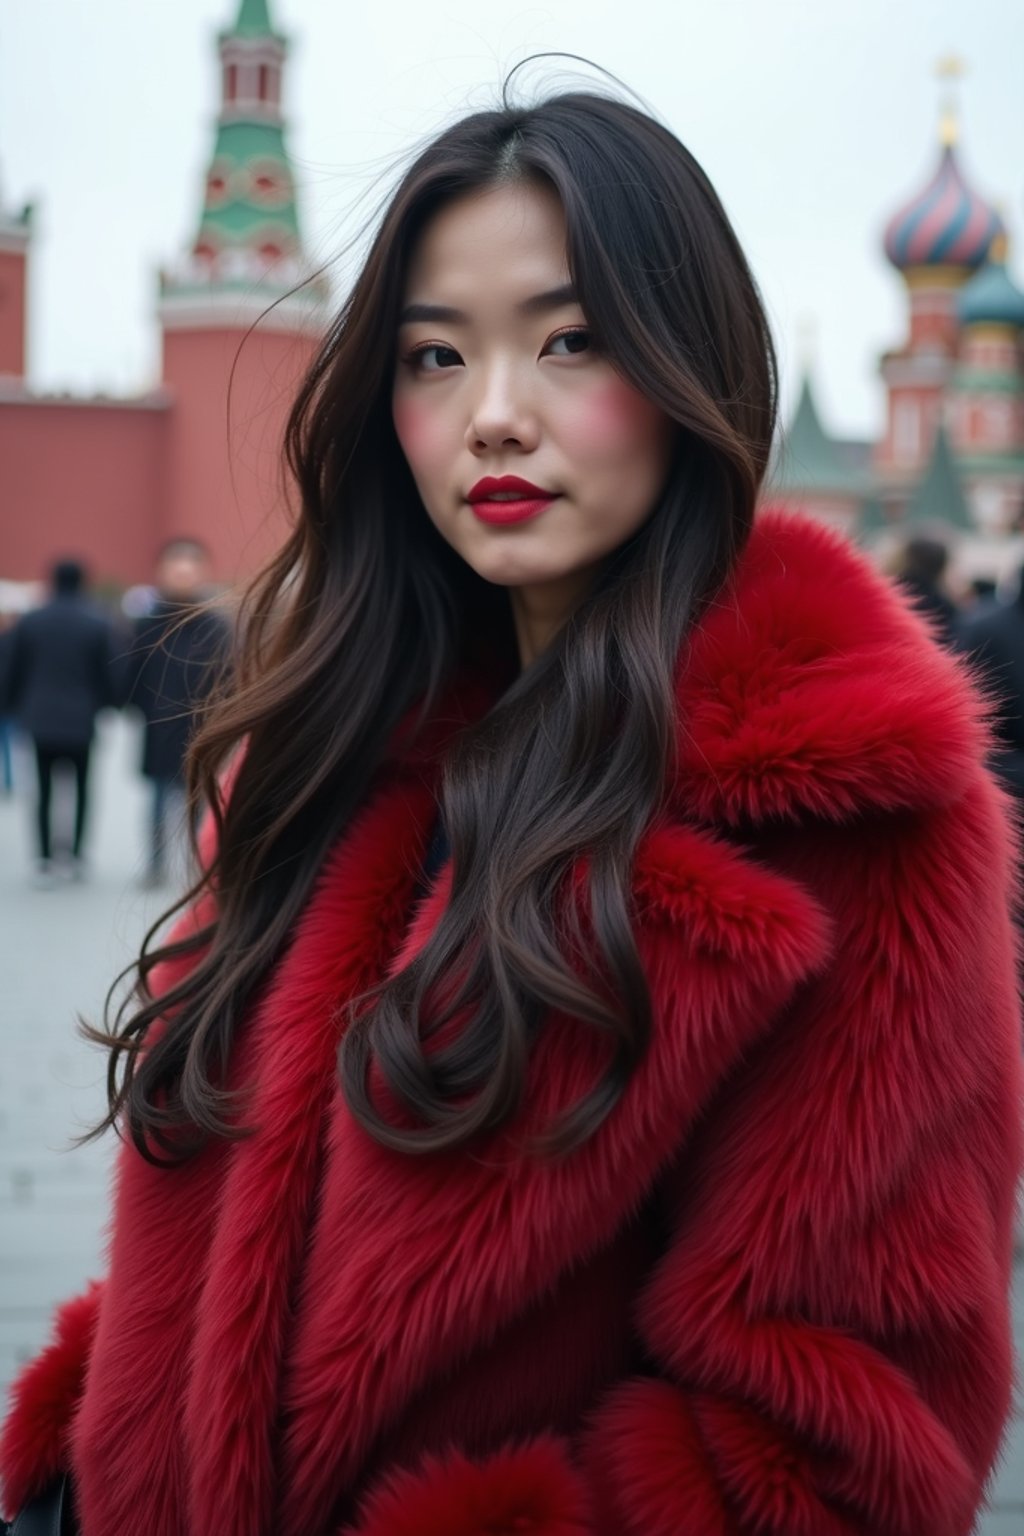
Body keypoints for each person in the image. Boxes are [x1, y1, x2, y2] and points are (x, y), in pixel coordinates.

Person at [1, 86, 1021, 1536]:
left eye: (568, 341)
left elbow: (842, 1450)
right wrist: (96, 1437)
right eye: (433, 355)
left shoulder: (840, 825)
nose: (492, 413)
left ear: (690, 364)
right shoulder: (326, 757)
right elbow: (256, 1230)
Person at [118, 537, 231, 888]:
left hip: (202, 726)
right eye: (175, 568)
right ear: (162, 573)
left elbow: (230, 676)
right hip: (157, 724)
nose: (183, 575)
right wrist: (140, 709)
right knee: (156, 798)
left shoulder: (216, 626)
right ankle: (155, 864)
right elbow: (130, 675)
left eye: (190, 568)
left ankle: (197, 864)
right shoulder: (147, 624)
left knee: (199, 799)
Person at [0, 559, 117, 883]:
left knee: (43, 790)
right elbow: (110, 671)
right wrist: (112, 704)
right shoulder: (96, 622)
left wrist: (10, 705)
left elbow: (12, 669)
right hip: (82, 718)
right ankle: (76, 855)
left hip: (40, 718)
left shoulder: (31, 622)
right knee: (81, 789)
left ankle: (44, 858)